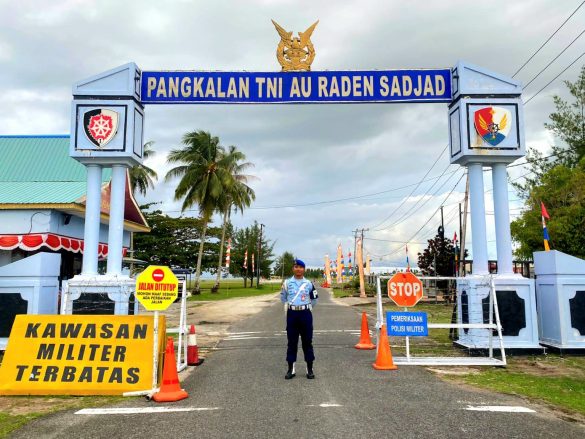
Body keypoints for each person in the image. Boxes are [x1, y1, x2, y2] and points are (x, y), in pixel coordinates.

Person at [280, 259, 318, 379]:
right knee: (292, 342)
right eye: (296, 267)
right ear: (293, 269)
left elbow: (314, 299)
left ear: (304, 269)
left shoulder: (309, 284)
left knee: (307, 342)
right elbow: (283, 298)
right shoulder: (287, 283)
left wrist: (306, 307)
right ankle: (291, 369)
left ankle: (309, 369)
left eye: (300, 267)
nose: (298, 269)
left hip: (305, 314)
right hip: (292, 314)